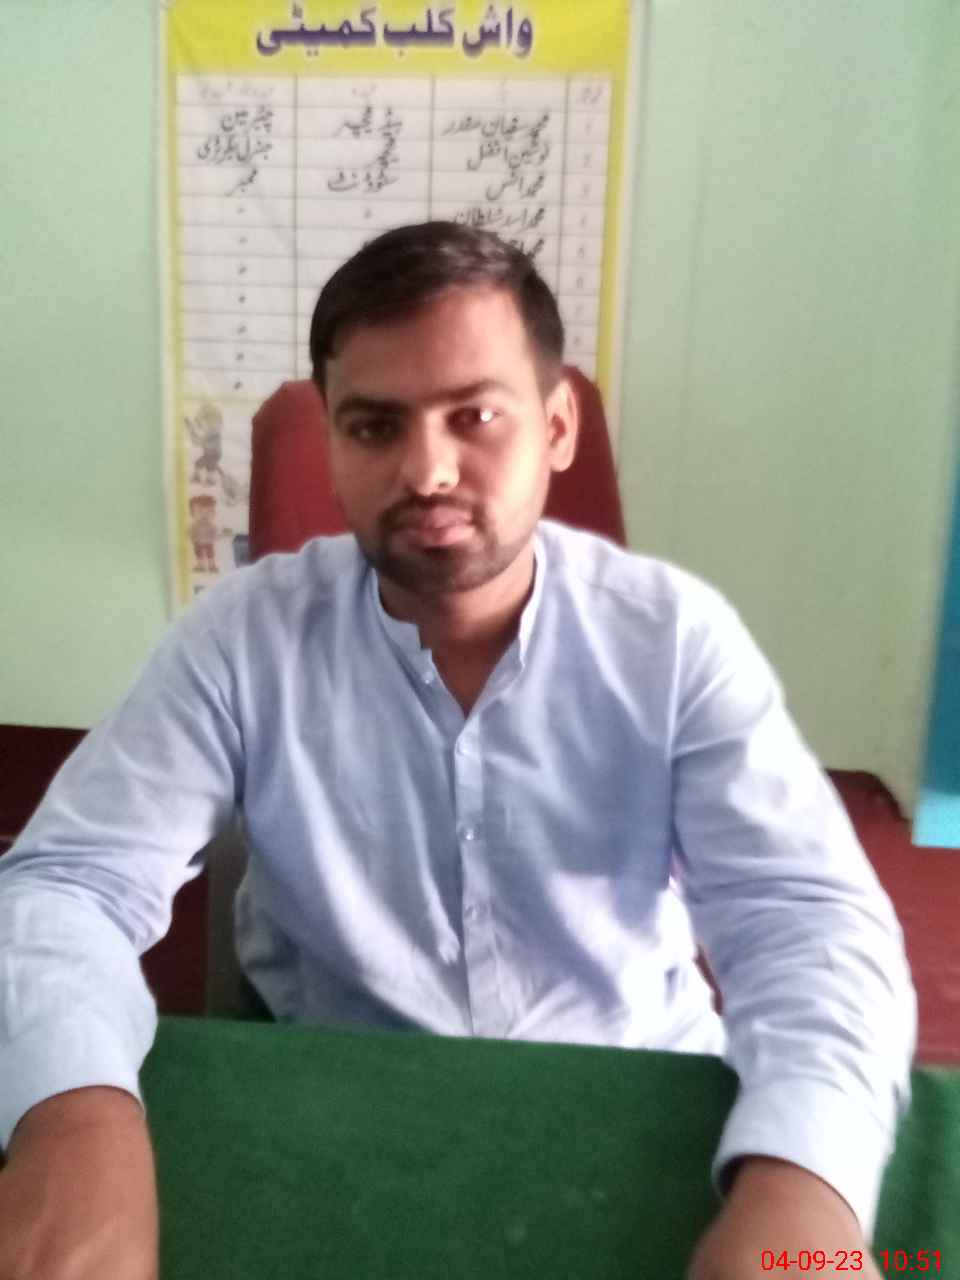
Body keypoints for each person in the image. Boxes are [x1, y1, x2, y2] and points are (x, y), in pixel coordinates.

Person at [0, 222, 914, 1279]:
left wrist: (805, 1184)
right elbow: (69, 882)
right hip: (332, 1108)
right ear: (333, 440)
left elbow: (806, 918)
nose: (426, 469)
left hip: (632, 1094)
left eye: (474, 415)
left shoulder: (671, 640)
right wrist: (72, 1121)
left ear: (556, 427)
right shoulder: (243, 639)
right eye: (374, 424)